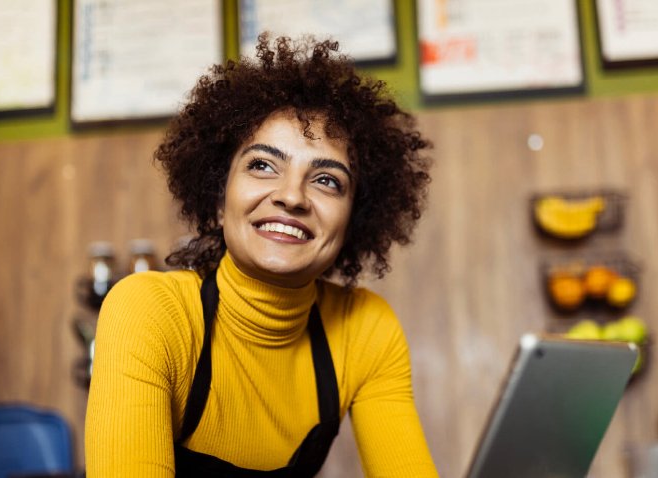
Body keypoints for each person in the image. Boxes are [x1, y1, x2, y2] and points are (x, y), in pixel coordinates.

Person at [85, 33, 437, 477]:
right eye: (262, 165)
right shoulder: (149, 311)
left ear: (355, 218)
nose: (292, 196)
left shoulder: (366, 330)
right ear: (219, 197)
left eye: (327, 180)